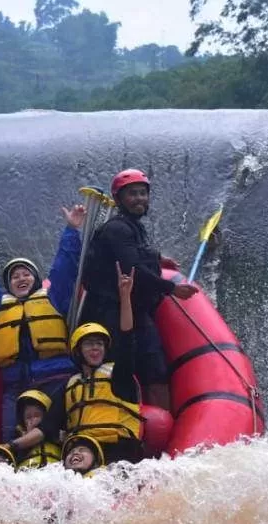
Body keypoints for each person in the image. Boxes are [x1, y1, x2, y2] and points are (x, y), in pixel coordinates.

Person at [0, 204, 86, 441]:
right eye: (15, 276)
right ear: (9, 285)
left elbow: (64, 266)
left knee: (67, 435)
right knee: (9, 439)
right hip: (16, 387)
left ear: (35, 280)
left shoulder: (54, 298)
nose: (21, 278)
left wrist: (71, 228)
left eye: (26, 274)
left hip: (57, 379)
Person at [80, 168, 198, 412]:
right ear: (120, 199)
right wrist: (171, 288)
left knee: (155, 368)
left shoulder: (132, 227)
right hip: (109, 313)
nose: (140, 199)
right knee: (120, 370)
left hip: (135, 310)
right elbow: (132, 267)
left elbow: (135, 252)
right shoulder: (117, 228)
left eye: (143, 193)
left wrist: (158, 257)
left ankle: (161, 428)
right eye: (132, 194)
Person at [8, 261, 146, 467]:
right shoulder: (69, 386)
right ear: (78, 352)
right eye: (89, 345)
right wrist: (10, 447)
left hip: (119, 450)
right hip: (82, 451)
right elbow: (46, 428)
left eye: (99, 344)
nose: (95, 349)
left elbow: (127, 338)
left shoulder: (119, 375)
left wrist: (125, 297)